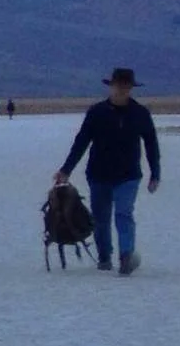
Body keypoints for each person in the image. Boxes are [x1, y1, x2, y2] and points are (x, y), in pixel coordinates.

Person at [54, 69, 161, 274]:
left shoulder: (140, 114)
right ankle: (104, 257)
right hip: (98, 174)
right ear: (111, 87)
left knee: (123, 213)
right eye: (118, 86)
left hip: (128, 176)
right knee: (101, 218)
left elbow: (151, 145)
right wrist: (66, 169)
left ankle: (126, 256)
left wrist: (155, 174)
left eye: (125, 86)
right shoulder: (97, 112)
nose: (121, 90)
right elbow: (81, 142)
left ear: (130, 88)